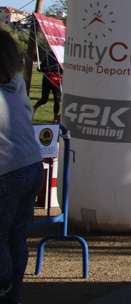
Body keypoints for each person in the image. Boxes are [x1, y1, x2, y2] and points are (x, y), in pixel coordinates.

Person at [0, 30, 44, 304]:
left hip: (6, 171)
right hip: (31, 164)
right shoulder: (15, 82)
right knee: (16, 237)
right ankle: (12, 293)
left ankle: (4, 290)